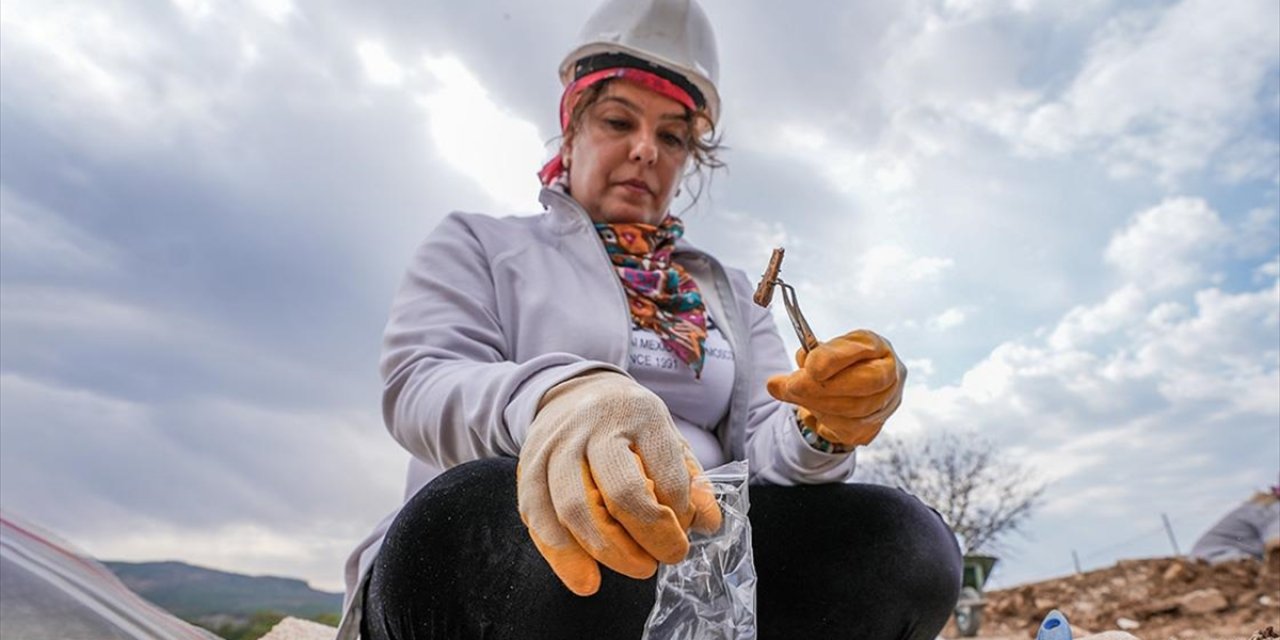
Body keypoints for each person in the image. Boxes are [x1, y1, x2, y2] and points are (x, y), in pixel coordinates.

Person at [337, 2, 962, 638]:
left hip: (701, 565)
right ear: (571, 129)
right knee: (518, 523)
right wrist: (560, 395)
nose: (644, 151)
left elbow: (766, 447)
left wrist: (821, 425)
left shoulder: (728, 293)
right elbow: (420, 384)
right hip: (513, 551)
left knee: (904, 544)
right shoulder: (482, 245)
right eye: (617, 121)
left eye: (671, 137)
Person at [1190, 484, 1280, 573]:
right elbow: (1276, 546)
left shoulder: (1263, 505)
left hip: (1198, 561)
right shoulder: (1274, 509)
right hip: (1221, 559)